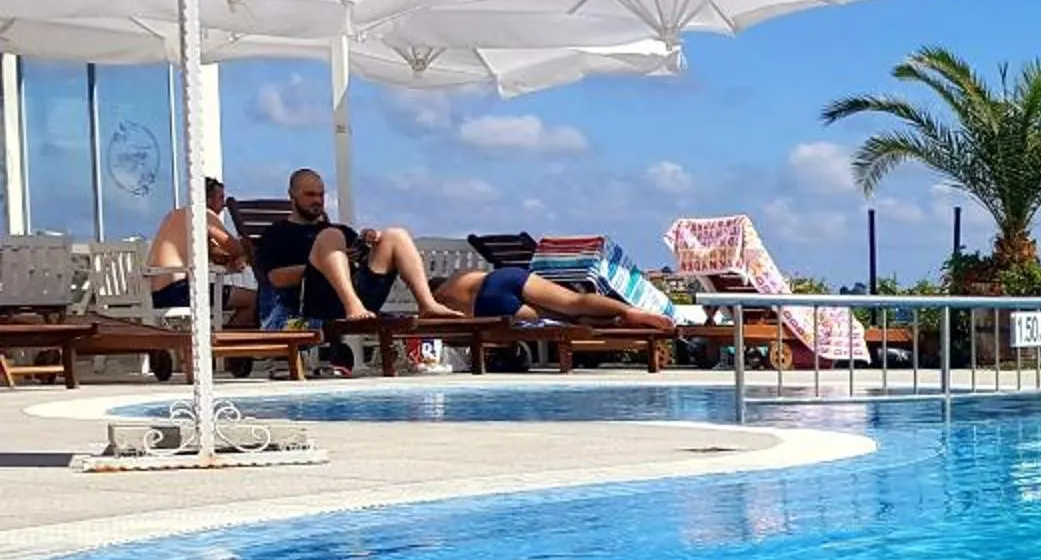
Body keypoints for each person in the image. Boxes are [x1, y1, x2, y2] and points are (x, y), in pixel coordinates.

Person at [250, 168, 462, 327]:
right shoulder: (277, 234)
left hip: (358, 295)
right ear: (292, 196)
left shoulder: (342, 230)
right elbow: (275, 279)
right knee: (331, 237)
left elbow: (366, 265)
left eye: (321, 195)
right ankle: (353, 306)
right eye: (310, 195)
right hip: (310, 305)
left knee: (395, 235)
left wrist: (372, 244)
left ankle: (427, 304)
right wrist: (324, 264)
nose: (317, 200)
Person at [432, 263, 678, 331]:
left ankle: (614, 322)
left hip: (488, 307)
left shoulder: (438, 301)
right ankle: (627, 311)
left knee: (562, 320)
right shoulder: (458, 275)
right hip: (502, 277)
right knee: (573, 302)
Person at [145, 176, 253, 321]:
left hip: (153, 293)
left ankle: (220, 337)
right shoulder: (203, 214)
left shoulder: (174, 215)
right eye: (221, 198)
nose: (224, 204)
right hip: (177, 291)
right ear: (207, 200)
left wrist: (233, 257)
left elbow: (215, 254)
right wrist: (244, 253)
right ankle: (222, 340)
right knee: (254, 300)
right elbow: (235, 248)